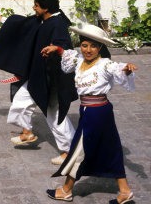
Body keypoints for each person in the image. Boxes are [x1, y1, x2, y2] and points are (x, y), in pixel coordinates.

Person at [41, 24, 138, 204]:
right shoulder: (79, 60)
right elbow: (67, 55)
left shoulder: (105, 64)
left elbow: (118, 68)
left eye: (93, 46)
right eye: (85, 45)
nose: (88, 50)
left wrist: (127, 68)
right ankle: (124, 191)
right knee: (111, 148)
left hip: (97, 113)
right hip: (91, 111)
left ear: (100, 47)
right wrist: (57, 49)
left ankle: (66, 190)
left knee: (79, 151)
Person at [0, 0, 77, 165]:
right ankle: (27, 133)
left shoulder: (57, 24)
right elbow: (23, 25)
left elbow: (64, 47)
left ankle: (70, 152)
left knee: (55, 115)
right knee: (20, 102)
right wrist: (1, 19)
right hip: (37, 76)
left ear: (46, 8)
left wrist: (55, 49)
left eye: (36, 4)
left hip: (52, 80)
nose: (33, 7)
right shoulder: (44, 20)